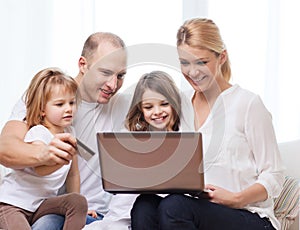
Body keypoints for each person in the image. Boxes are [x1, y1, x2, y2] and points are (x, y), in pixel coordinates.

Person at [130, 18, 285, 230]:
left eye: (201, 62)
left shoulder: (248, 103)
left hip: (248, 215)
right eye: (185, 63)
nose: (192, 72)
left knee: (174, 206)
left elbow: (274, 175)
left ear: (221, 57)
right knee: (144, 205)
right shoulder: (180, 104)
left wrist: (236, 198)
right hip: (196, 210)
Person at [0, 32, 128, 229]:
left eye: (120, 76)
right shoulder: (46, 96)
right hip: (43, 209)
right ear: (83, 64)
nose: (113, 85)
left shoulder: (123, 105)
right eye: (105, 72)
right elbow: (5, 149)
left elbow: (73, 174)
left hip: (94, 213)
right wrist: (45, 154)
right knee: (45, 226)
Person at [0, 67, 87, 230]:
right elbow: (41, 169)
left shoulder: (70, 132)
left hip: (39, 206)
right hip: (13, 205)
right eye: (60, 104)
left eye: (72, 102)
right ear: (42, 110)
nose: (68, 108)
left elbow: (73, 174)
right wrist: (62, 158)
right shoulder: (38, 132)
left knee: (78, 201)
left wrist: (80, 203)